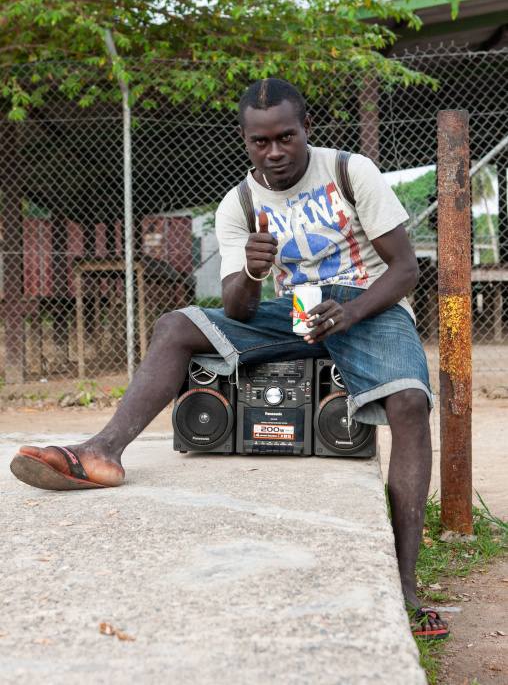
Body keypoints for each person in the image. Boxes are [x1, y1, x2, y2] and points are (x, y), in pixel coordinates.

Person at [10, 78, 448, 640]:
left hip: (367, 306)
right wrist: (257, 271)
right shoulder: (239, 204)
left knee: (410, 402)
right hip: (289, 311)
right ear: (245, 140)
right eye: (260, 141)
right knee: (175, 326)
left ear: (305, 129)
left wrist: (354, 312)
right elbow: (239, 308)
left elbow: (406, 269)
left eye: (286, 137)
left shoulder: (350, 171)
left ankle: (407, 587)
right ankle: (101, 452)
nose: (275, 152)